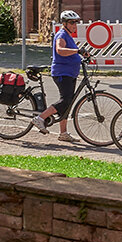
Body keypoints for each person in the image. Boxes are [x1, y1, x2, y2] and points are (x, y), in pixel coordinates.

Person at [33, 9, 84, 143]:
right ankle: (40, 118)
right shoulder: (61, 35)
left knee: (67, 103)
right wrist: (77, 50)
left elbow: (71, 53)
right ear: (65, 23)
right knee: (65, 100)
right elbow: (60, 50)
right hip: (62, 73)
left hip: (70, 73)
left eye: (76, 23)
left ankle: (63, 133)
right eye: (72, 22)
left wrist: (82, 55)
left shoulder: (68, 35)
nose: (75, 25)